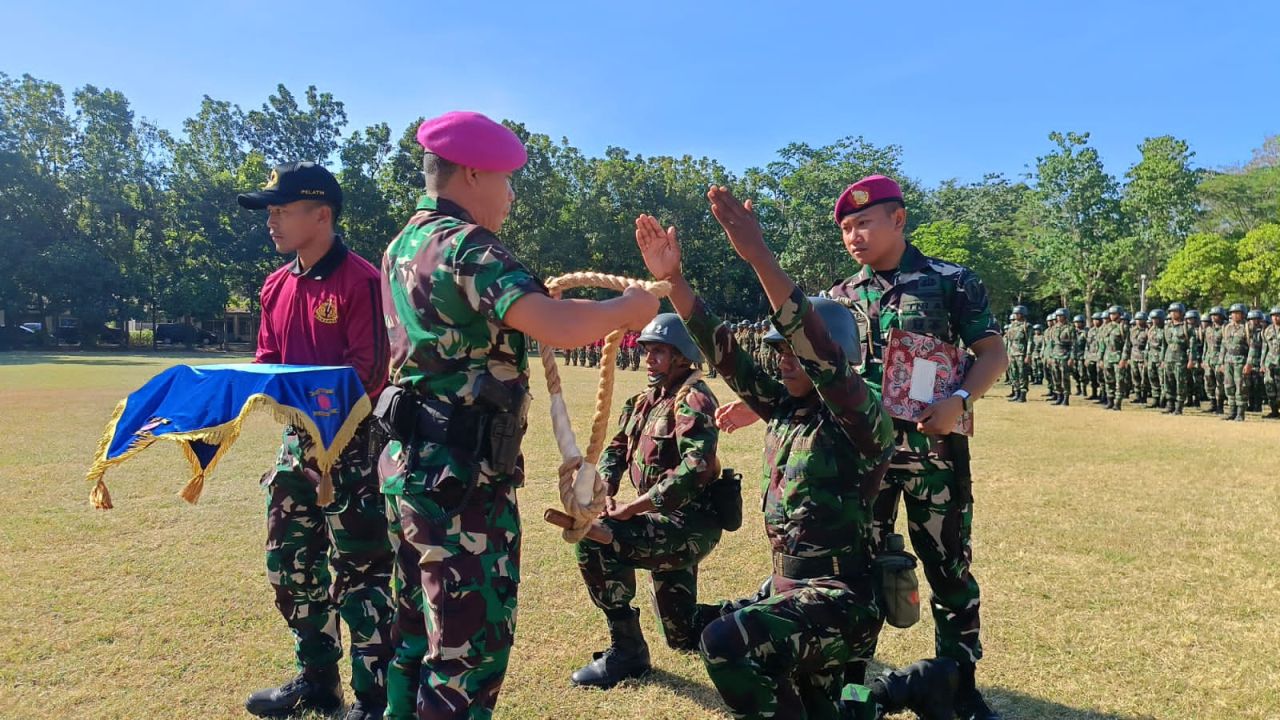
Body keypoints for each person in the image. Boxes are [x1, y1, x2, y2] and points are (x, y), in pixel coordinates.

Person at [636, 188, 958, 720]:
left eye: (792, 351)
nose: (784, 360)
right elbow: (723, 349)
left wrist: (759, 256)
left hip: (841, 599)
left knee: (726, 642)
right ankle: (908, 688)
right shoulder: (785, 408)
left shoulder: (861, 415)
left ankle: (900, 687)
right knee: (840, 709)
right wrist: (674, 282)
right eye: (777, 351)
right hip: (790, 587)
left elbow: (816, 350)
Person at [377, 111, 658, 719]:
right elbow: (554, 324)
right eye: (506, 180)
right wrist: (628, 308)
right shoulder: (469, 246)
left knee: (413, 637)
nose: (510, 194)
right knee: (466, 654)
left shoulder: (401, 246)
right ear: (473, 173)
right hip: (460, 481)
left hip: (407, 465)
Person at [237, 161, 395, 720]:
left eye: (281, 210)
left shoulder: (363, 282)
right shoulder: (274, 287)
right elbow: (266, 366)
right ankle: (318, 680)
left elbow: (368, 373)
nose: (271, 222)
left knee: (364, 574)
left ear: (321, 214)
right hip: (296, 447)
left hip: (354, 448)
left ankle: (374, 699)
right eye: (270, 212)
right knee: (289, 563)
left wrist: (301, 393)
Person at [571, 314, 725, 687]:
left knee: (598, 540)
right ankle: (743, 618)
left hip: (688, 525)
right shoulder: (643, 400)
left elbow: (696, 466)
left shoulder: (694, 399)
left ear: (682, 357)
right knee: (683, 635)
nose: (649, 359)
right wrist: (605, 488)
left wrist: (633, 507)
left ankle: (628, 654)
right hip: (661, 523)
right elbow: (617, 448)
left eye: (659, 352)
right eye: (648, 351)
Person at [1219, 304, 1256, 422]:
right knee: (1229, 386)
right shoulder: (1227, 328)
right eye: (1233, 313)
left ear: (1243, 314)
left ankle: (1240, 413)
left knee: (1241, 387)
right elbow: (1223, 346)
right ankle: (1232, 412)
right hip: (1228, 360)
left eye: (1237, 313)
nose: (1234, 315)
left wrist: (1249, 363)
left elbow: (1252, 347)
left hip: (1241, 361)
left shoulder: (1247, 327)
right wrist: (1221, 362)